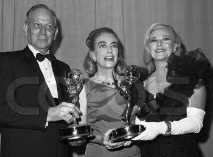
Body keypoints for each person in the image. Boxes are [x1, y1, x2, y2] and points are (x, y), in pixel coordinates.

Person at [0, 4, 80, 157]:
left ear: (55, 33)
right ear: (26, 28)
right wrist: (47, 114)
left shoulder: (65, 68)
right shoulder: (5, 61)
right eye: (37, 25)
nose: (43, 32)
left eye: (49, 27)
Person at [132, 23, 213, 157]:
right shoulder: (141, 83)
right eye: (153, 40)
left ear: (175, 46)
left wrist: (161, 128)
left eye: (165, 39)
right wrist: (124, 139)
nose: (159, 44)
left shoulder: (191, 78)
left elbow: (196, 124)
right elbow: (139, 126)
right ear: (148, 48)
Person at [78, 27, 141, 157]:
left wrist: (132, 135)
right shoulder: (83, 87)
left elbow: (140, 121)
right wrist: (103, 139)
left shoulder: (133, 84)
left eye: (114, 45)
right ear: (93, 55)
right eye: (102, 46)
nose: (109, 50)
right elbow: (81, 131)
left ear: (118, 53)